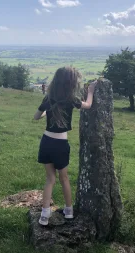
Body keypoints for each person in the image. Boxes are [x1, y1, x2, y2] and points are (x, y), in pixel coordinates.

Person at [33, 67, 97, 226]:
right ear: (71, 83)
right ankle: (69, 211)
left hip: (46, 142)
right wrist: (90, 91)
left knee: (50, 179)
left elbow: (36, 117)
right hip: (61, 144)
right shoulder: (71, 99)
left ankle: (44, 215)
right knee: (64, 178)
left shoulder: (48, 98)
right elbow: (88, 105)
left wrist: (47, 112)